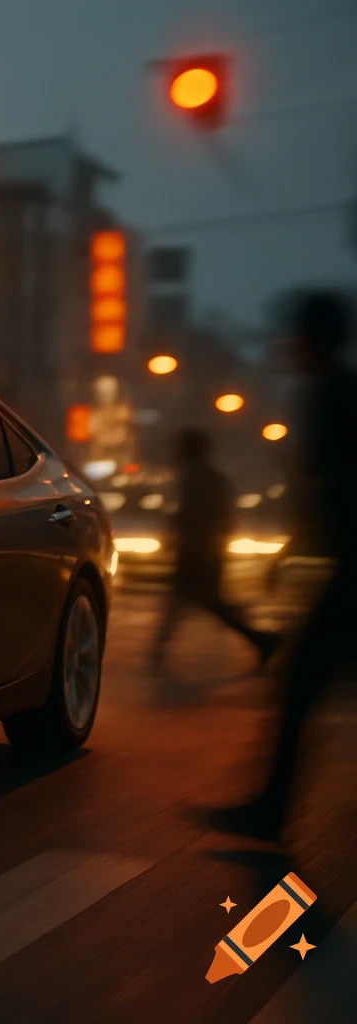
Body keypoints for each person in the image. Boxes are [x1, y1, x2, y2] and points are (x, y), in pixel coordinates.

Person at [210, 290, 357, 842]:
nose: (286, 346)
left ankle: (270, 813)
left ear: (309, 339)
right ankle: (269, 811)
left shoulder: (330, 395)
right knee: (302, 686)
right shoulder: (339, 389)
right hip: (349, 571)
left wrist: (285, 553)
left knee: (300, 688)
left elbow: (322, 488)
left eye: (293, 336)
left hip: (353, 577)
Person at [150, 427, 279, 673]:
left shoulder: (195, 479)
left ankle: (264, 640)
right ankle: (262, 640)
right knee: (205, 603)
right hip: (208, 550)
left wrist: (176, 530)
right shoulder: (213, 478)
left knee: (187, 601)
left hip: (197, 551)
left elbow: (194, 515)